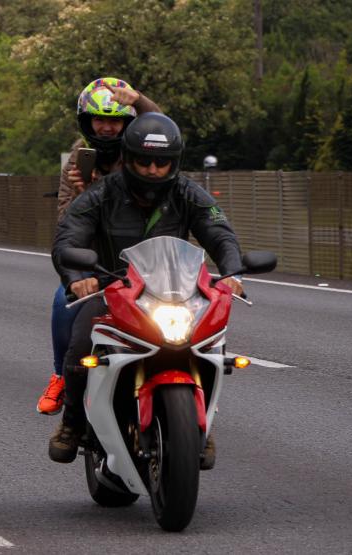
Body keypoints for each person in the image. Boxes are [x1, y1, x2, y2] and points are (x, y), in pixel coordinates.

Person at [48, 112, 244, 470]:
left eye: (162, 162)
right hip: (113, 290)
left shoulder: (187, 192)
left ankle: (199, 423)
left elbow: (219, 232)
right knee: (79, 345)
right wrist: (77, 277)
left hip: (177, 292)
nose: (153, 170)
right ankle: (72, 423)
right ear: (128, 158)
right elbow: (68, 237)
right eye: (144, 161)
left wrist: (231, 271)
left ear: (174, 162)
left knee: (212, 345)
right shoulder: (101, 194)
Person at [36, 77, 161, 415]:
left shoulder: (142, 152)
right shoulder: (77, 160)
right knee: (63, 299)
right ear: (86, 121)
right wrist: (84, 196)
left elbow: (162, 129)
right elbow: (67, 224)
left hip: (147, 257)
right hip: (98, 261)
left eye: (115, 120)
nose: (107, 127)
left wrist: (139, 100)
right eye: (99, 120)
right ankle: (61, 375)